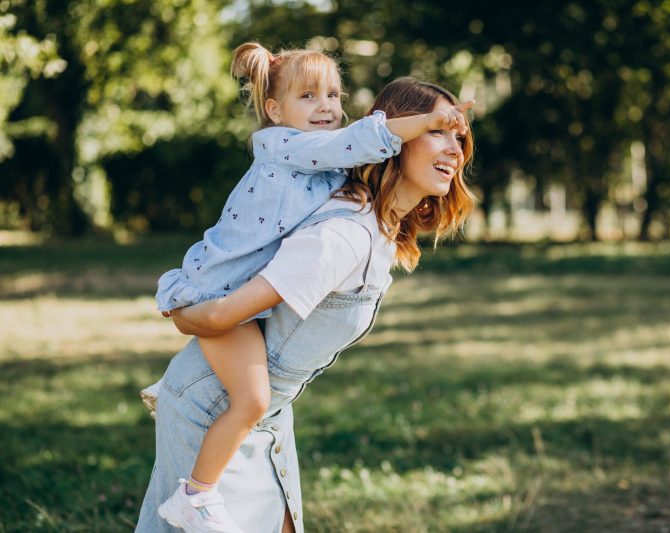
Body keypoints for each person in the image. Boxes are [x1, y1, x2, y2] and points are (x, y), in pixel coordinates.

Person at [135, 76, 476, 533]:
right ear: (395, 136)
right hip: (214, 408)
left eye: (458, 135)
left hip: (269, 411)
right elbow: (219, 316)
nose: (454, 146)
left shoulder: (379, 230)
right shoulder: (343, 235)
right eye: (436, 130)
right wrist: (178, 308)